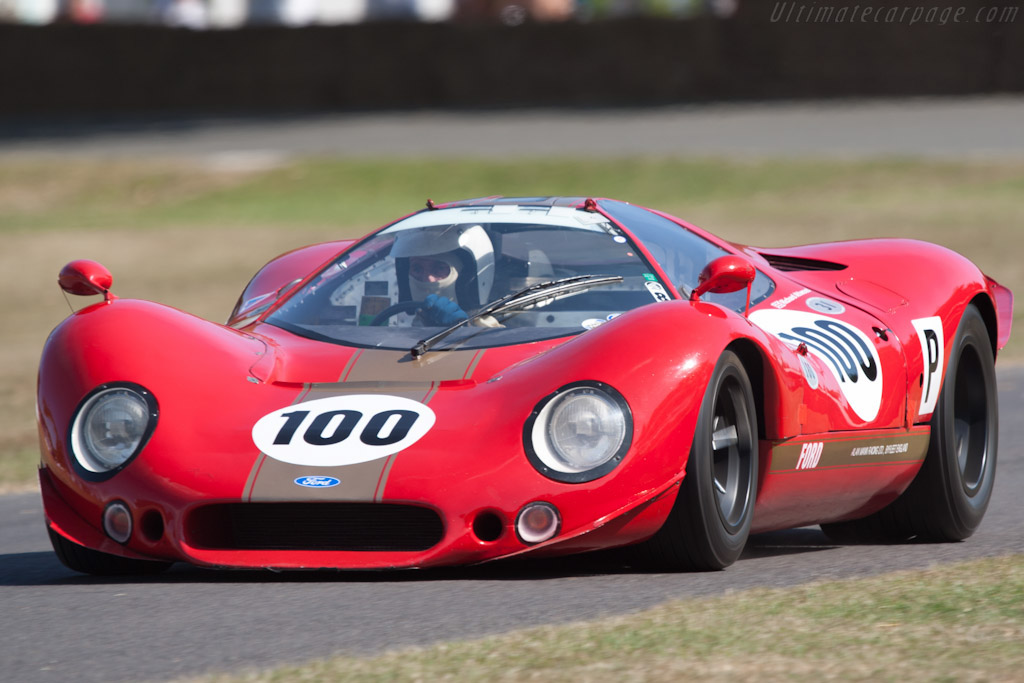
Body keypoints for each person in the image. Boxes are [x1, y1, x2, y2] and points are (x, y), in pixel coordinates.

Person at [391, 224, 495, 327]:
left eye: (440, 268)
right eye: (417, 269)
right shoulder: (407, 331)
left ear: (466, 278)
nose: (428, 279)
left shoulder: (488, 330)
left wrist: (462, 327)